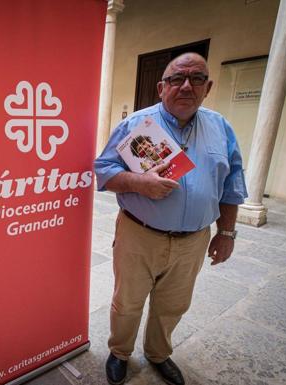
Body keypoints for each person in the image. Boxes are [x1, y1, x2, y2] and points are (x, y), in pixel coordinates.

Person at [94, 53, 247, 385]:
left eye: (196, 78)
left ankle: (158, 354)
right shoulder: (135, 125)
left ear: (208, 87)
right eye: (177, 79)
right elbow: (102, 172)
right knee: (127, 302)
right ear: (162, 87)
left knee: (173, 304)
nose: (186, 86)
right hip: (139, 234)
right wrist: (138, 183)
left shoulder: (220, 127)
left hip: (193, 240)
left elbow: (233, 183)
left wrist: (227, 233)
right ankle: (120, 352)